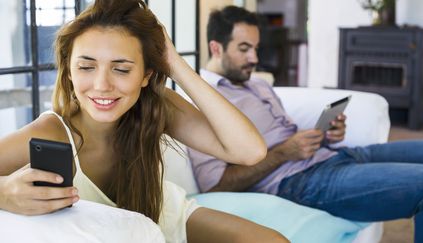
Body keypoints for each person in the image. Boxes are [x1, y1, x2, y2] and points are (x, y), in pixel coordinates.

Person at [0, 1, 291, 243]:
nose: (102, 85)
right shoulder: (51, 132)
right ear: (69, 72)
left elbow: (249, 152)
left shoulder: (155, 105)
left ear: (146, 75)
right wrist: (3, 193)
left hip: (160, 212)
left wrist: (175, 64)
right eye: (86, 67)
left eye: (122, 69)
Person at [187, 5, 423, 243]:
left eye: (256, 48)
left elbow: (285, 135)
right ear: (216, 48)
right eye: (244, 49)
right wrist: (283, 153)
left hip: (335, 156)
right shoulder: (205, 103)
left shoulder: (257, 84)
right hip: (302, 181)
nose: (255, 58)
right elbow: (215, 186)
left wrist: (324, 135)